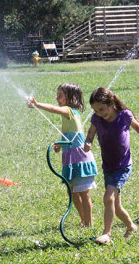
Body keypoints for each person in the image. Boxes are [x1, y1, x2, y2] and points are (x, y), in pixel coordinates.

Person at [84, 87, 139, 244]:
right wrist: (88, 143)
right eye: (96, 110)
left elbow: (137, 126)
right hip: (108, 166)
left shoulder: (124, 115)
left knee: (108, 197)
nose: (100, 113)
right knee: (115, 204)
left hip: (123, 165)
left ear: (111, 102)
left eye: (101, 109)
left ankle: (106, 234)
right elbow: (90, 134)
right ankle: (131, 226)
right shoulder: (97, 119)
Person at [27, 83, 98, 227]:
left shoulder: (69, 111)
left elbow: (53, 109)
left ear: (71, 98)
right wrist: (60, 144)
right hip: (70, 159)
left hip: (80, 159)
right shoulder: (69, 114)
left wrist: (37, 104)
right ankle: (84, 220)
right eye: (57, 95)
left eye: (60, 95)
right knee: (72, 192)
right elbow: (69, 135)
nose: (57, 97)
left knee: (84, 193)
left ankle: (89, 223)